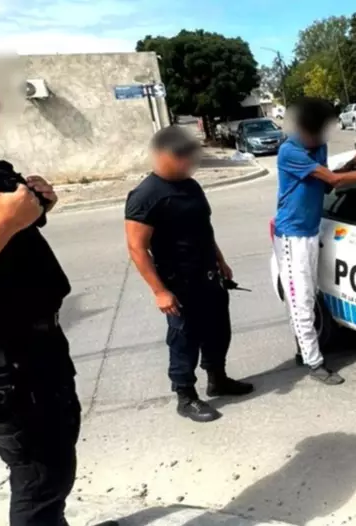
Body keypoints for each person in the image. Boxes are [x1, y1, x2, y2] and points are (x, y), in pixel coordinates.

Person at [0, 34, 116, 526]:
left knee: (54, 459)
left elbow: (9, 228)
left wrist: (37, 206)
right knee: (39, 476)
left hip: (34, 344)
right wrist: (6, 223)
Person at [124, 126, 252, 423]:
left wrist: (220, 260)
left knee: (218, 331)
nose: (189, 162)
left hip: (209, 275)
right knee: (184, 340)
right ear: (163, 155)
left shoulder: (191, 186)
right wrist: (160, 291)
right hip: (178, 283)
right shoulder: (146, 195)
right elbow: (136, 248)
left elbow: (203, 228)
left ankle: (218, 379)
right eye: (183, 156)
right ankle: (186, 396)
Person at [273, 97, 356, 385]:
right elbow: (332, 180)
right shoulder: (290, 151)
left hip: (311, 231)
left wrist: (352, 164)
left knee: (307, 295)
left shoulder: (317, 146)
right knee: (301, 299)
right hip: (293, 237)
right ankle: (313, 361)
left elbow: (326, 179)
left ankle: (305, 349)